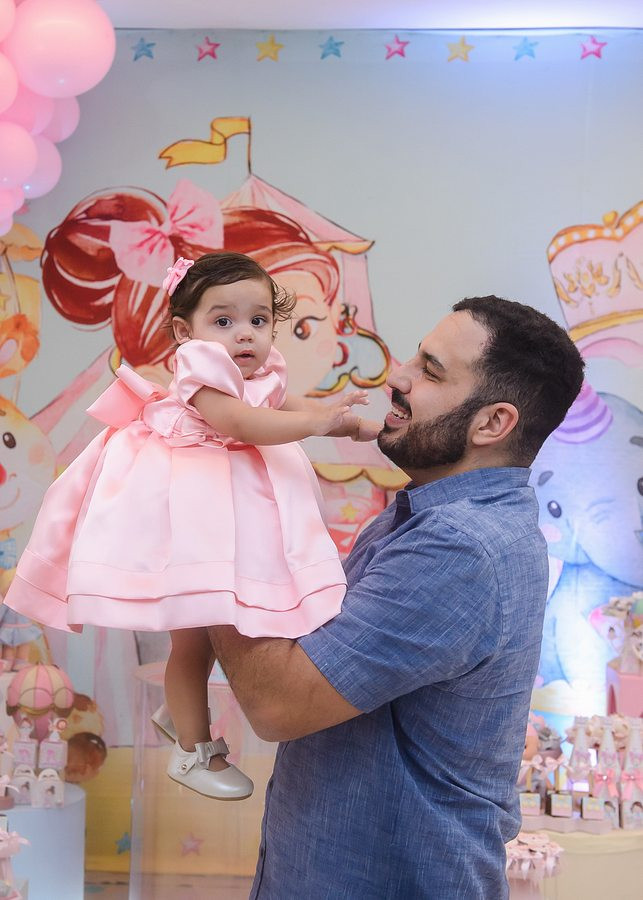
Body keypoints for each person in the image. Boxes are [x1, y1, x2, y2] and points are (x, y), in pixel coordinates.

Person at [207, 295, 586, 898]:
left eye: (430, 371)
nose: (398, 376)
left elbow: (278, 703)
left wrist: (203, 536)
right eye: (416, 356)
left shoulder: (461, 548)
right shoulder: (421, 516)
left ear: (493, 423)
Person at [3, 251, 379, 801]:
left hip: (222, 516)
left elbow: (281, 402)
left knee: (222, 626)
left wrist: (349, 422)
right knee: (193, 638)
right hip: (188, 517)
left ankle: (179, 713)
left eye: (258, 320)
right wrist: (319, 423)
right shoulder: (201, 372)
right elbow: (241, 421)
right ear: (186, 332)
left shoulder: (259, 372)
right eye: (223, 320)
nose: (244, 333)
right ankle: (192, 750)